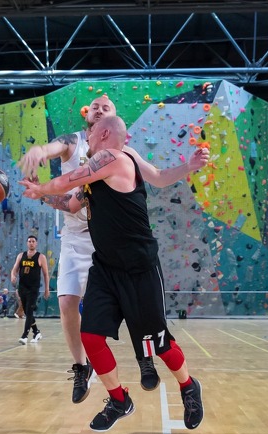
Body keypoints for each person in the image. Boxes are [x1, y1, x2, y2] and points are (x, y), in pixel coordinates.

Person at [19, 95, 210, 403]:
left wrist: (42, 184)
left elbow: (158, 177)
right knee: (81, 318)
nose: (98, 110)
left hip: (134, 256)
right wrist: (40, 189)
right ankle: (105, 387)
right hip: (95, 248)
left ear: (107, 129)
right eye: (94, 106)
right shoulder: (81, 147)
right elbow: (71, 202)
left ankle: (167, 371)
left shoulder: (115, 156)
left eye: (105, 108)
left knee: (152, 332)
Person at [10, 235, 50, 344]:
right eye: (29, 241)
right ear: (27, 243)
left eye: (33, 241)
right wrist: (13, 276)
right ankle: (36, 332)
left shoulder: (40, 257)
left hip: (33, 288)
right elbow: (14, 269)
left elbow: (46, 274)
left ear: (36, 243)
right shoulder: (21, 255)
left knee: (29, 310)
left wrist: (46, 289)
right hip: (22, 287)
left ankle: (25, 336)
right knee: (28, 312)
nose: (31, 243)